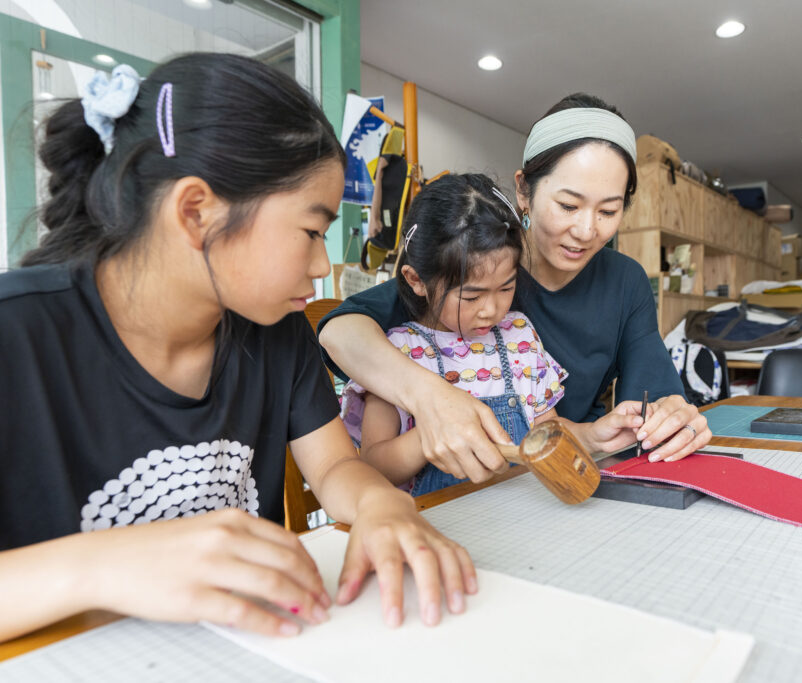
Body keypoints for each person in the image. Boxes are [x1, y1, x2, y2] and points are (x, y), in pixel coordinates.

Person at [0, 53, 475, 644]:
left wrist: (380, 505)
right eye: (310, 232)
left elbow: (332, 467)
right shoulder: (17, 335)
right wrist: (102, 564)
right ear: (196, 211)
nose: (323, 264)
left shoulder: (276, 332)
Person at [318, 94, 712, 483]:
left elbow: (653, 399)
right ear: (524, 190)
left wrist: (671, 416)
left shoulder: (625, 281)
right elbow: (339, 332)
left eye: (608, 211)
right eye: (569, 206)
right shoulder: (473, 266)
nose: (588, 231)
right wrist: (433, 398)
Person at [345, 173, 643, 496]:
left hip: (523, 511)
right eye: (471, 296)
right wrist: (431, 432)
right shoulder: (397, 353)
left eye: (506, 287)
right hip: (440, 522)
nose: (491, 309)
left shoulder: (519, 336)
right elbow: (374, 465)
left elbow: (547, 431)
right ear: (417, 280)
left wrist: (594, 434)